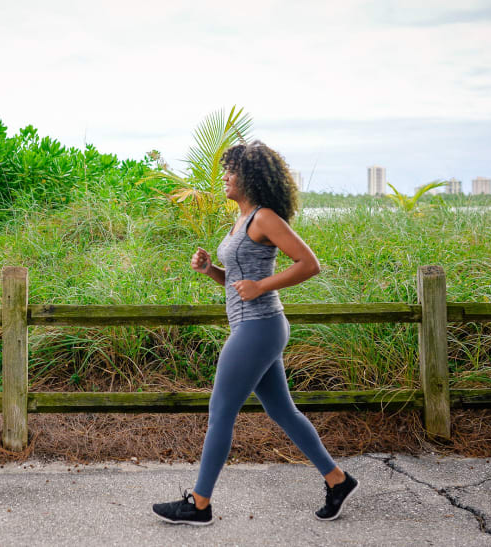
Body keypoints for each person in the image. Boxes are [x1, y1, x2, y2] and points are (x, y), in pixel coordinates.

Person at [152, 141, 358, 526]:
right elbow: (238, 281)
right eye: (226, 170)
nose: (225, 177)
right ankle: (337, 479)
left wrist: (262, 287)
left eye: (232, 170)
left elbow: (309, 264)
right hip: (258, 326)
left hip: (257, 326)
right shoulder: (242, 221)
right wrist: (211, 270)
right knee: (281, 410)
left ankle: (199, 504)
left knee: (220, 413)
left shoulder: (264, 218)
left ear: (250, 177)